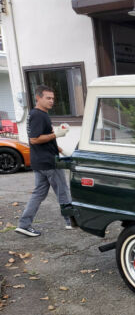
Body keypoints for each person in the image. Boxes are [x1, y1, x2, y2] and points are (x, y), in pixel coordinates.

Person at [15, 85, 74, 237]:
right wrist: (57, 135)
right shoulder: (39, 115)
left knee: (38, 194)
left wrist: (61, 149)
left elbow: (45, 139)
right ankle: (71, 221)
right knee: (63, 191)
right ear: (38, 98)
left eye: (53, 98)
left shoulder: (37, 115)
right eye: (48, 98)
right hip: (49, 162)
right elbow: (35, 139)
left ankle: (24, 225)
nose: (51, 101)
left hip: (39, 161)